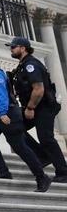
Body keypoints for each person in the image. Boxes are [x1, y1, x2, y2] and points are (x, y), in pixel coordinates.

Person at [0, 49, 51, 192]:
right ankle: (2, 171)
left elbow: (1, 95)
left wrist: (1, 113)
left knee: (19, 146)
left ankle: (41, 177)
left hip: (7, 114)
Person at [8, 37, 67, 181]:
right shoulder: (22, 65)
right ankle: (42, 156)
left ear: (23, 48)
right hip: (35, 107)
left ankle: (63, 172)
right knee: (13, 127)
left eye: (13, 47)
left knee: (46, 138)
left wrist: (29, 108)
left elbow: (39, 89)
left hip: (43, 106)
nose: (11, 49)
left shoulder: (31, 64)